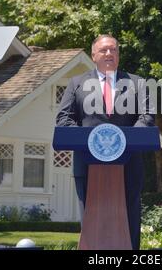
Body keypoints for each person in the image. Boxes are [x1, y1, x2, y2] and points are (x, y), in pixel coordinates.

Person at [56, 34, 155, 250]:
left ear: (118, 55)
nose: (109, 53)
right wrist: (88, 141)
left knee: (129, 221)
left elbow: (146, 117)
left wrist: (127, 143)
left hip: (129, 165)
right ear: (93, 55)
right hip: (87, 164)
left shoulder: (137, 83)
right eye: (104, 50)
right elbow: (64, 119)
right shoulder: (77, 83)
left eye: (114, 50)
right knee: (91, 221)